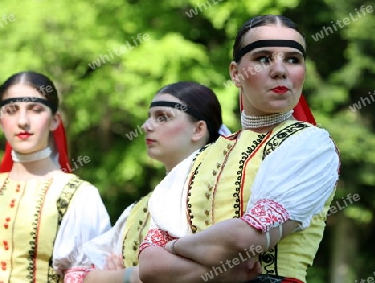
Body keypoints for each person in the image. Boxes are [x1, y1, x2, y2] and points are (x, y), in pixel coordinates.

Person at [138, 15, 341, 283]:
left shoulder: (311, 145)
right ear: (236, 73)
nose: (280, 70)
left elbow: (245, 240)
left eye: (293, 59)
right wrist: (222, 272)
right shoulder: (195, 161)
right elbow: (149, 267)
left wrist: (175, 248)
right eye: (263, 58)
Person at [0, 71, 111, 282]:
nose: (22, 121)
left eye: (35, 110)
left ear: (55, 120)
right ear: (0, 121)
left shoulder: (79, 197)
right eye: (11, 110)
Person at [79, 81, 259, 282]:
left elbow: (235, 267)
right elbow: (78, 275)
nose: (146, 126)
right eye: (149, 118)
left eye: (162, 117)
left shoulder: (226, 189)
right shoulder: (138, 209)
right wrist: (131, 276)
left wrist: (119, 276)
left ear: (198, 129)